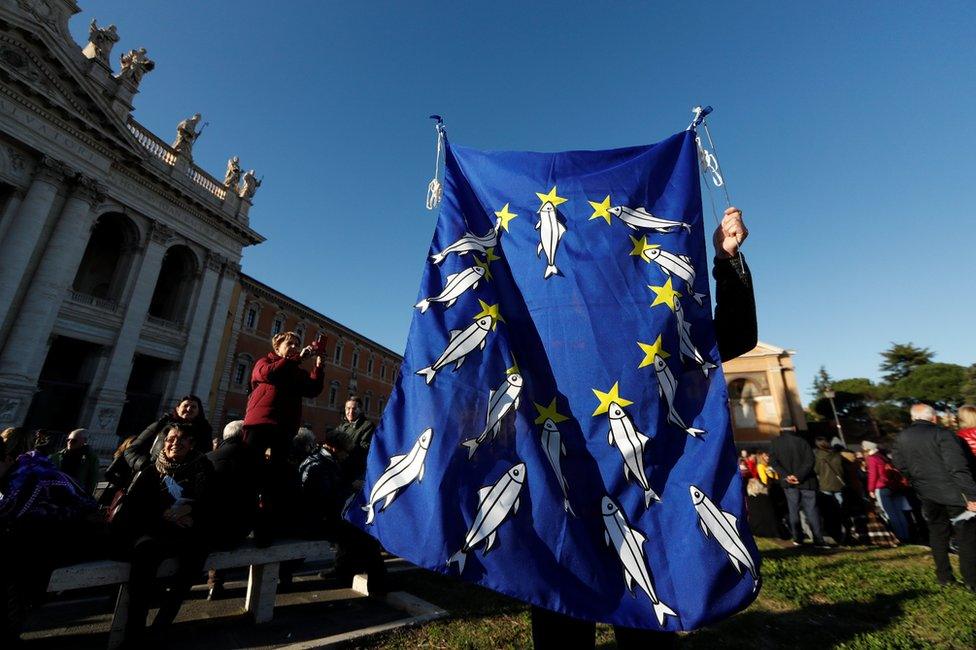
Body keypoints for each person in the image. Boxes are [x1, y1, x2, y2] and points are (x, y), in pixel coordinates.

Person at [531, 206, 757, 649]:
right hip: (567, 515)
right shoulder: (545, 339)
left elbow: (733, 336)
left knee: (645, 636)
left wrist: (727, 260)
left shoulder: (654, 330)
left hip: (643, 513)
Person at [113, 423, 214, 644]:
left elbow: (212, 503)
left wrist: (191, 511)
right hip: (154, 532)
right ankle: (134, 632)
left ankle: (163, 623)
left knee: (194, 560)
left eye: (181, 439)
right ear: (163, 442)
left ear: (191, 444)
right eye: (170, 439)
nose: (174, 443)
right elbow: (133, 508)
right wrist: (163, 514)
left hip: (188, 533)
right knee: (143, 561)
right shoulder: (151, 470)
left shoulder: (203, 468)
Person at [0, 429, 99, 645]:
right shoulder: (15, 473)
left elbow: (10, 512)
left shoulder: (30, 476)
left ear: (8, 458)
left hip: (77, 535)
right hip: (50, 534)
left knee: (15, 557)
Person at [242, 331, 325, 542]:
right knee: (249, 475)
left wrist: (319, 364)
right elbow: (270, 375)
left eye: (297, 344)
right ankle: (240, 525)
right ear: (277, 347)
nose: (295, 347)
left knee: (275, 480)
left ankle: (265, 530)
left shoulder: (296, 371)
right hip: (259, 424)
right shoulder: (264, 362)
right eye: (290, 343)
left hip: (284, 428)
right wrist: (296, 359)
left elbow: (313, 389)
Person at [892, 404, 976, 590]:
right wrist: (972, 495)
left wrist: (917, 481)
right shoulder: (943, 434)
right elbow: (958, 467)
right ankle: (971, 580)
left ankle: (944, 577)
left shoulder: (901, 437)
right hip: (953, 492)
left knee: (937, 534)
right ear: (934, 418)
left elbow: (899, 464)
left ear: (913, 418)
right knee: (966, 536)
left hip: (926, 492)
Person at [204, 420, 256, 600]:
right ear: (244, 435)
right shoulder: (253, 461)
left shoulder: (209, 457)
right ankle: (216, 582)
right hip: (239, 527)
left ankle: (214, 582)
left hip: (207, 525)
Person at [768, 428, 828, 548]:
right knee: (812, 510)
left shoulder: (775, 443)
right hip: (806, 481)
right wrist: (799, 476)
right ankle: (818, 539)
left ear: (780, 429)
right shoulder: (802, 441)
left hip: (789, 483)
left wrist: (787, 475)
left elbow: (774, 462)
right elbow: (810, 460)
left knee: (793, 510)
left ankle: (798, 538)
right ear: (794, 428)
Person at [125, 395, 215, 473]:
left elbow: (206, 456)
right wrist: (145, 466)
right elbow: (131, 451)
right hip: (153, 477)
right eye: (186, 405)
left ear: (199, 411)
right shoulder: (161, 425)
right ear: (177, 408)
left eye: (193, 407)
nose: (189, 409)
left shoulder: (205, 432)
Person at [863, 440, 911, 542]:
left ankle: (898, 536)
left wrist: (871, 489)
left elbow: (873, 475)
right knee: (899, 512)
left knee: (890, 513)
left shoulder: (872, 459)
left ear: (867, 449)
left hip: (882, 487)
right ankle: (906, 535)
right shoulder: (884, 457)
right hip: (895, 487)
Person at [331, 395, 375, 484]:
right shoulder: (343, 425)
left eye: (354, 409)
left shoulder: (367, 426)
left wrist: (347, 447)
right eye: (348, 408)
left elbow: (366, 449)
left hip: (354, 473)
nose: (350, 412)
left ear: (360, 410)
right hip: (339, 470)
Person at [814, 437, 846, 543]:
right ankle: (843, 530)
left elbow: (816, 470)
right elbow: (841, 470)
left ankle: (832, 532)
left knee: (828, 510)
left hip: (825, 485)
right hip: (838, 484)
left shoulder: (818, 456)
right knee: (841, 509)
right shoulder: (837, 454)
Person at [51, 428, 101, 495]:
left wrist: (86, 496)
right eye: (68, 440)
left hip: (75, 494)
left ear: (84, 441)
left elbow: (92, 480)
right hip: (56, 490)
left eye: (74, 440)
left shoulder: (90, 458)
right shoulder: (59, 455)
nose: (69, 442)